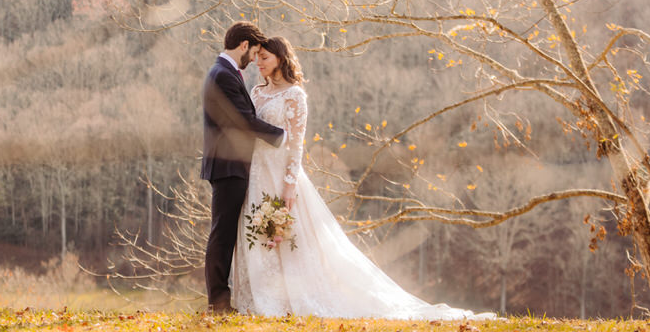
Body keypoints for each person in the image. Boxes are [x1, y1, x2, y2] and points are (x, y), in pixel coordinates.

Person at [230, 36, 493, 320]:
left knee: (289, 239)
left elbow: (296, 144)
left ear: (280, 59)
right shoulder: (256, 92)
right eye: (257, 58)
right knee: (255, 233)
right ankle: (261, 298)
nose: (258, 63)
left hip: (281, 173)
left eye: (265, 58)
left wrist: (290, 185)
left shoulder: (295, 95)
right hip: (256, 171)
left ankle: (288, 299)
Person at [202, 22, 286, 313]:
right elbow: (243, 121)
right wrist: (281, 136)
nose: (254, 59)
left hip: (230, 165)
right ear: (243, 45)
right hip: (228, 166)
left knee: (225, 233)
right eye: (253, 52)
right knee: (222, 235)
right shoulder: (224, 75)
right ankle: (218, 302)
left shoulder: (224, 73)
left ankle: (221, 300)